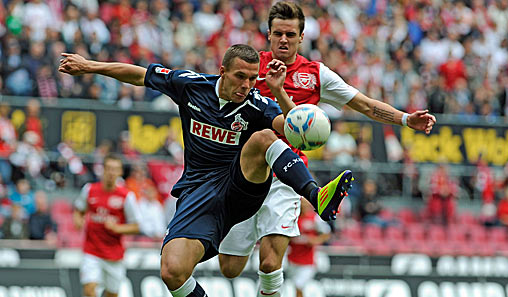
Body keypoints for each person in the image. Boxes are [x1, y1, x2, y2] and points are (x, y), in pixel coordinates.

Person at [59, 44, 353, 297]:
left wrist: (278, 91)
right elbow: (139, 74)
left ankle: (316, 195)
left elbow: (293, 130)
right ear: (222, 70)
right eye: (240, 76)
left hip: (240, 185)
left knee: (264, 138)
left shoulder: (258, 105)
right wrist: (89, 66)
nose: (246, 85)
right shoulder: (191, 85)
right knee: (173, 271)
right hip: (198, 191)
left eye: (252, 78)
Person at [218, 3, 436, 297]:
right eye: (278, 33)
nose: (284, 39)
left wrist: (406, 119)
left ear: (301, 37)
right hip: (242, 174)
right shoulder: (249, 68)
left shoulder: (316, 74)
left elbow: (365, 104)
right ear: (268, 35)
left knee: (270, 263)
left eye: (290, 34)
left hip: (286, 177)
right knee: (229, 268)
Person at [73, 154, 145, 297]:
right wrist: (78, 220)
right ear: (103, 170)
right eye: (109, 169)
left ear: (120, 172)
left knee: (112, 294)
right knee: (89, 290)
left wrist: (117, 228)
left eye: (115, 169)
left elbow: (137, 226)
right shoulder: (89, 190)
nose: (111, 173)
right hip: (91, 250)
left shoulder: (126, 196)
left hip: (114, 254)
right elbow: (79, 210)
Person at [286, 198, 331, 297]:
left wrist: (315, 240)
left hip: (307, 261)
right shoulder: (291, 217)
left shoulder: (314, 218)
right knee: (294, 286)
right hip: (292, 259)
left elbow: (327, 233)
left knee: (298, 285)